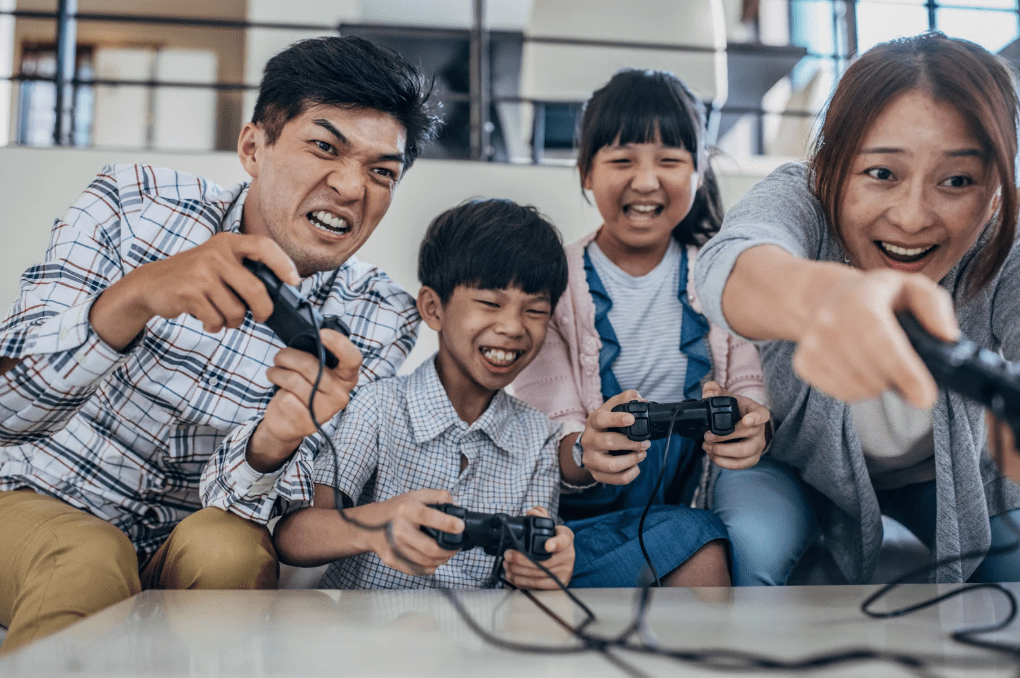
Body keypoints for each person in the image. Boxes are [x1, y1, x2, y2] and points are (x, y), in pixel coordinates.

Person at [0, 35, 440, 655]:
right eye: (324, 147)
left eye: (382, 171)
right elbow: (6, 416)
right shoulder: (133, 204)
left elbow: (262, 511)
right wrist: (135, 297)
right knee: (87, 553)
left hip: (187, 535)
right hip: (33, 500)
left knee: (230, 552)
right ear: (253, 147)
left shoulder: (380, 314)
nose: (350, 186)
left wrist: (275, 441)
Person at [694, 31, 1020, 584]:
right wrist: (827, 299)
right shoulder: (798, 196)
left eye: (958, 181)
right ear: (828, 168)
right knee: (749, 544)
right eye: (881, 174)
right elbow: (731, 265)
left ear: (993, 194)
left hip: (947, 477)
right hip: (793, 466)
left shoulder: (1002, 243)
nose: (912, 218)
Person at [513, 69, 783, 588]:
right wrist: (585, 452)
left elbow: (751, 386)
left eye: (669, 160)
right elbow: (554, 426)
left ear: (699, 171)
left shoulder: (721, 272)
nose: (645, 180)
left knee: (701, 541)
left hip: (672, 516)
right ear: (585, 172)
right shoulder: (554, 279)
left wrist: (756, 426)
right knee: (694, 540)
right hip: (566, 519)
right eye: (621, 160)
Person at [273, 199, 575, 589]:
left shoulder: (541, 438)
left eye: (535, 311)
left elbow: (529, 572)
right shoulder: (377, 407)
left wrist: (545, 568)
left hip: (474, 645)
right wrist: (377, 526)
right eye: (490, 303)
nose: (513, 327)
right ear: (433, 308)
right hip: (360, 638)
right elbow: (293, 536)